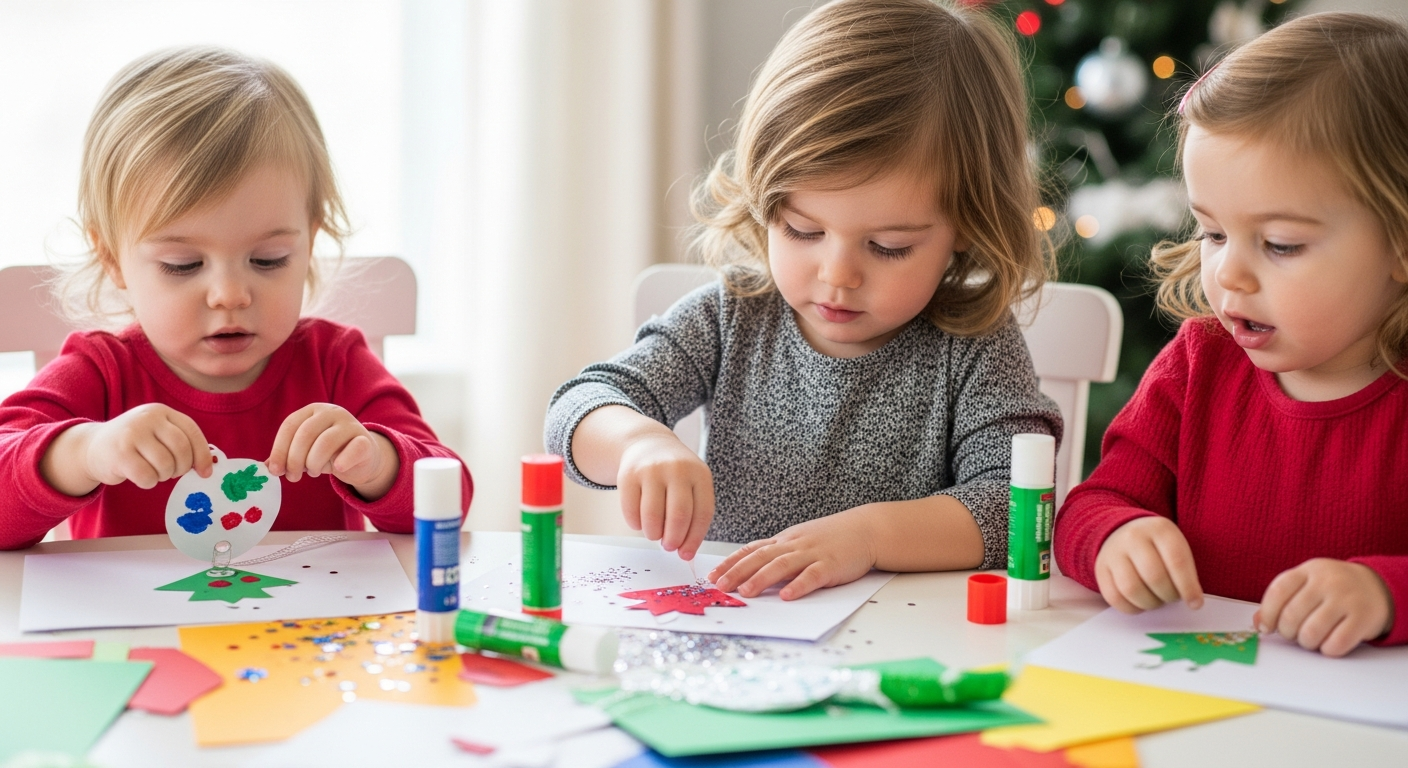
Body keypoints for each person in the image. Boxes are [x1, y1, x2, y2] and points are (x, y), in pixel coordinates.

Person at [544, 0, 1061, 600]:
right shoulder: (732, 315)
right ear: (764, 201)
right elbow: (576, 407)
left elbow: (1013, 501)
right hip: (742, 631)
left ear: (965, 226)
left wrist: (868, 538)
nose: (837, 275)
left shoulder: (974, 346)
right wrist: (638, 442)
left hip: (905, 643)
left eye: (888, 246)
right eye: (802, 230)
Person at [0, 47, 471, 550]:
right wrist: (84, 453)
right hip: (140, 629)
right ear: (114, 259)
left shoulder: (334, 363)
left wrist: (377, 461)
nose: (230, 295)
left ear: (309, 243)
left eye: (268, 259)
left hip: (311, 626)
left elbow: (451, 495)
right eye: (183, 265)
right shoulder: (99, 372)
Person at [1055, 13, 1408, 656]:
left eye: (1280, 243)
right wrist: (1115, 536)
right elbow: (1093, 504)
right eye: (1212, 234)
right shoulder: (1198, 365)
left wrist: (1383, 592)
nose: (1229, 274)